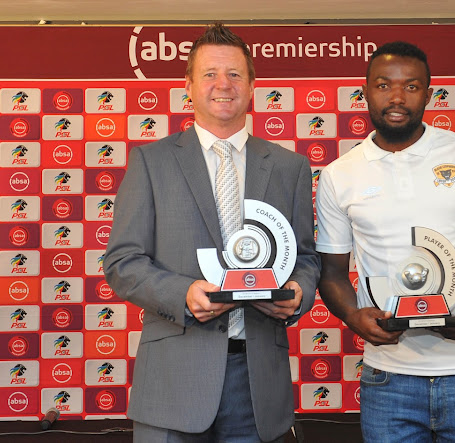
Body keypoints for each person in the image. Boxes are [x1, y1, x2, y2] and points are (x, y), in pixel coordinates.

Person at [104, 23, 319, 443]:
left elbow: (307, 258)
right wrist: (182, 294)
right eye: (210, 74)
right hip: (173, 380)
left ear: (253, 85)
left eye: (235, 74)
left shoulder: (289, 166)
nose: (223, 85)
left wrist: (297, 292)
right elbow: (122, 262)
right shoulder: (151, 162)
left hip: (257, 382)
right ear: (189, 85)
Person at [315, 41, 455, 443]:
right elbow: (331, 272)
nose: (397, 98)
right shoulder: (338, 175)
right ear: (364, 91)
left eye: (411, 86)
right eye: (383, 85)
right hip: (388, 378)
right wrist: (352, 317)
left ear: (429, 94)